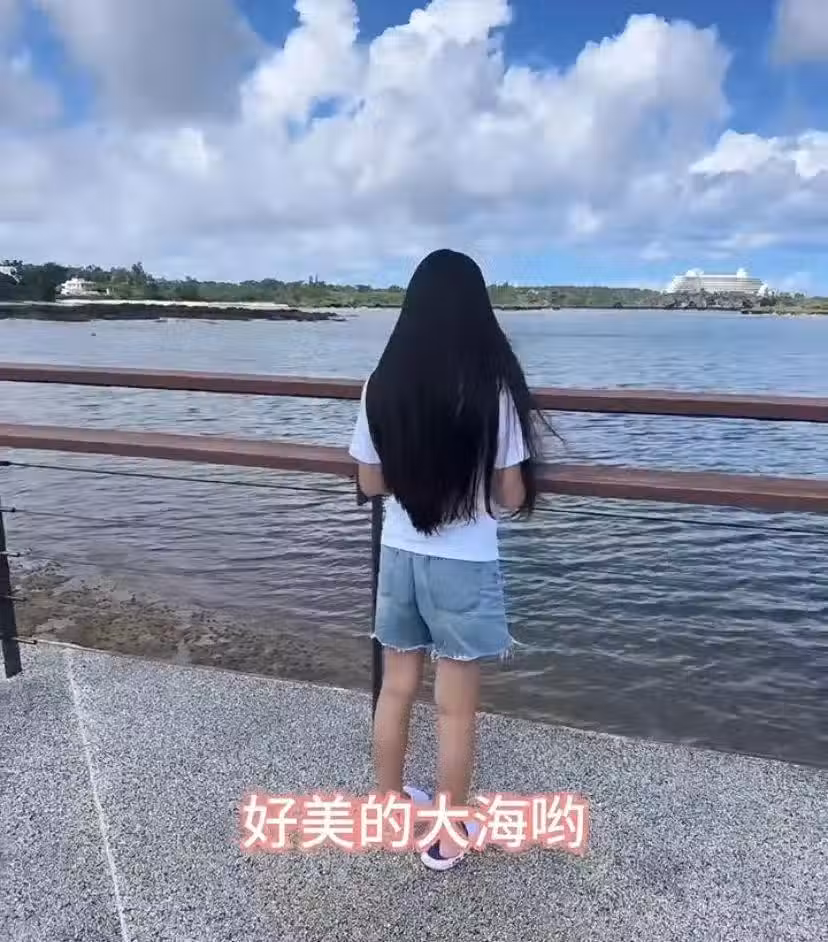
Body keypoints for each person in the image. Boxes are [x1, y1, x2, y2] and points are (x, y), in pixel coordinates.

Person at [348, 249, 544, 871]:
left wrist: (418, 472)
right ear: (476, 312)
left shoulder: (381, 384)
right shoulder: (492, 390)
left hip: (399, 553)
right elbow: (510, 494)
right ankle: (448, 835)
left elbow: (370, 482)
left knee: (396, 688)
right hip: (465, 563)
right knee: (455, 709)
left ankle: (387, 809)